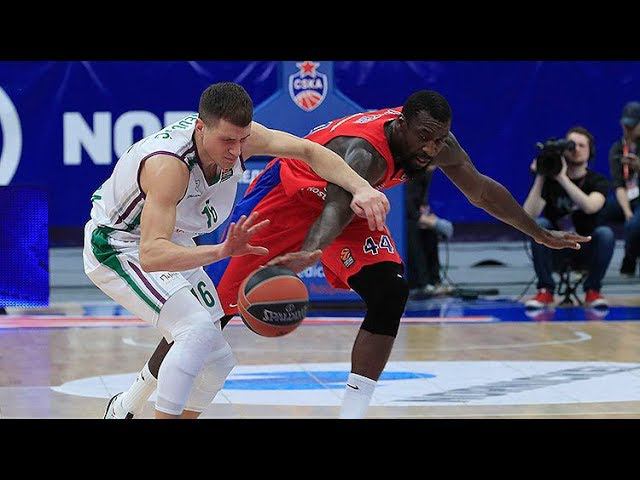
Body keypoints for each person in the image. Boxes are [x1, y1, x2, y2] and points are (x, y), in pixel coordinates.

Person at [110, 90, 590, 419]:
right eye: (423, 136)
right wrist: (310, 252)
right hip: (288, 198)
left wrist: (540, 233)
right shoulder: (366, 152)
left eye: (438, 138)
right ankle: (133, 398)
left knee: (390, 292)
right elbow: (334, 206)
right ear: (401, 124)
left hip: (352, 206)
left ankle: (353, 411)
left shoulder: (437, 144)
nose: (430, 148)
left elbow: (481, 191)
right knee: (210, 314)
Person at [85, 82, 390, 419]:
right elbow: (153, 255)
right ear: (201, 128)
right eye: (227, 141)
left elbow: (310, 151)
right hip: (119, 245)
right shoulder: (168, 167)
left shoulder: (241, 139)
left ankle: (123, 408)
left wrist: (361, 187)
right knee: (195, 329)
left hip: (173, 239)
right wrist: (223, 250)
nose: (235, 151)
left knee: (219, 361)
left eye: (242, 140)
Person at [523, 126, 613, 308]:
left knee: (606, 234)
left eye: (582, 145)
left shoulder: (598, 181)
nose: (576, 149)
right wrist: (541, 176)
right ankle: (545, 290)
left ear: (590, 151)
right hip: (556, 246)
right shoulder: (549, 182)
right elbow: (528, 215)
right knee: (539, 224)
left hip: (586, 248)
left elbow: (590, 207)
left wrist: (562, 178)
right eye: (572, 145)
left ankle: (593, 290)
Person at [598, 101, 640, 277]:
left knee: (634, 225)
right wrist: (626, 211)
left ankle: (629, 260)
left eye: (632, 126)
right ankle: (583, 260)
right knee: (595, 210)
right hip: (626, 197)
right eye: (625, 125)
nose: (628, 130)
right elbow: (618, 184)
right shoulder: (617, 148)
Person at [405, 165, 454, 297]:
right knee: (412, 229)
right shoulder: (409, 174)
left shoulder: (426, 176)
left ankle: (434, 281)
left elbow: (421, 203)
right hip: (404, 220)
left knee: (429, 231)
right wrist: (422, 218)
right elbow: (406, 206)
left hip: (416, 216)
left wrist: (428, 218)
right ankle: (421, 283)